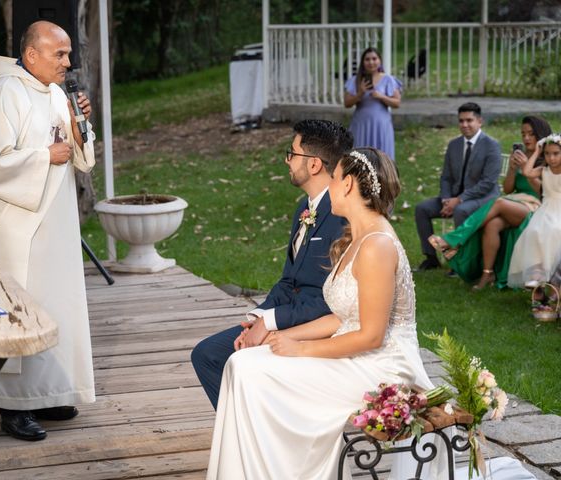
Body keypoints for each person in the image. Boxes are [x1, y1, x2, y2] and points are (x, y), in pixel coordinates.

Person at [206, 147, 441, 479]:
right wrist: (286, 334)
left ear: (347, 185)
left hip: (382, 365)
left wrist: (301, 350)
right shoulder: (355, 237)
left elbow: (371, 336)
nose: (328, 185)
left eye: (333, 178)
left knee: (252, 373)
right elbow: (343, 317)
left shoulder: (377, 246)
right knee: (240, 363)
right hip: (355, 351)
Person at [0, 21, 96, 441]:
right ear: (31, 56)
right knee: (17, 310)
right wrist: (45, 155)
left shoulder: (58, 94)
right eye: (59, 54)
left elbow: (80, 159)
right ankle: (12, 406)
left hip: (55, 222)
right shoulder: (4, 92)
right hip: (16, 225)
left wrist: (80, 127)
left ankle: (47, 392)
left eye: (67, 53)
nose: (68, 60)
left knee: (55, 305)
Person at [191, 119, 352, 409]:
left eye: (292, 153)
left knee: (228, 359)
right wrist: (256, 318)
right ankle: (248, 434)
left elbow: (330, 302)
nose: (287, 160)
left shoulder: (343, 218)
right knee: (208, 353)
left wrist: (270, 324)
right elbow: (288, 281)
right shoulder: (303, 209)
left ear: (314, 164)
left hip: (317, 328)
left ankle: (255, 434)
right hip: (285, 316)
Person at [427, 115, 551, 289]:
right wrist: (513, 169)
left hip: (538, 207)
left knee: (498, 203)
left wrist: (525, 168)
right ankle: (487, 274)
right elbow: (508, 189)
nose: (526, 138)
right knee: (492, 224)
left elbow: (544, 192)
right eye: (523, 134)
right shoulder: (522, 155)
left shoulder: (548, 158)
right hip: (516, 202)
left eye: (531, 134)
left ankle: (455, 240)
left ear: (541, 134)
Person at [414, 102, 502, 272]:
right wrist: (447, 200)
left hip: (483, 198)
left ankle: (460, 262)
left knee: (461, 210)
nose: (465, 125)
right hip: (453, 198)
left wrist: (458, 200)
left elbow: (488, 183)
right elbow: (446, 176)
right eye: (461, 121)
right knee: (422, 209)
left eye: (469, 120)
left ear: (479, 121)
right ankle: (431, 258)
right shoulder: (454, 145)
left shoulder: (491, 145)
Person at [508, 134, 561, 288]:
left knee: (554, 230)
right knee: (534, 231)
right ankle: (535, 274)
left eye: (556, 154)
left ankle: (549, 275)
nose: (551, 158)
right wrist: (537, 152)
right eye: (547, 153)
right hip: (547, 209)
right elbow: (526, 172)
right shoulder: (544, 170)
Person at [343, 47, 402, 160]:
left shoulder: (388, 79)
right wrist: (360, 93)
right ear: (363, 62)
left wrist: (381, 96)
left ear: (379, 60)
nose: (371, 62)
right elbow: (347, 103)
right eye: (367, 59)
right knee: (360, 155)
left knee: (382, 157)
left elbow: (397, 103)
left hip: (381, 125)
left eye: (374, 59)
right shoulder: (356, 80)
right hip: (361, 124)